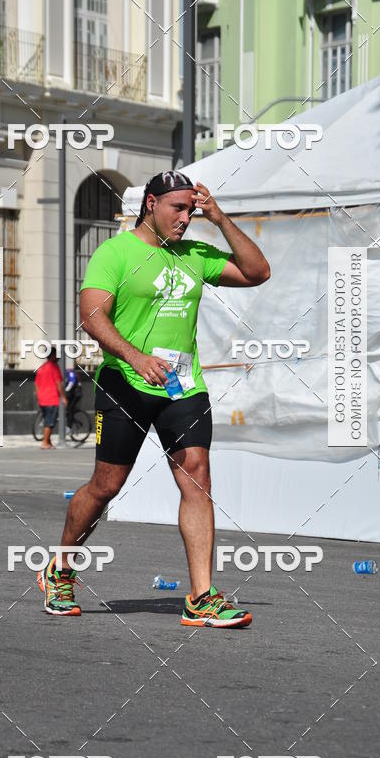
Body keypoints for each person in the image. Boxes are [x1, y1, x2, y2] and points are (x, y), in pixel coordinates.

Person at [37, 170, 270, 627]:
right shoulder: (115, 252)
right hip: (125, 382)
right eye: (177, 208)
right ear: (150, 204)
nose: (185, 218)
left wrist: (220, 219)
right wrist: (134, 356)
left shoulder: (195, 254)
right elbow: (92, 316)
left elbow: (257, 272)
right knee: (106, 486)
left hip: (182, 386)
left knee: (197, 476)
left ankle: (201, 596)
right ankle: (60, 568)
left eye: (191, 210)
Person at [34, 347, 67, 449]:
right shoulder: (54, 367)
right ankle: (44, 443)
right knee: (50, 422)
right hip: (51, 398)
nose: (57, 357)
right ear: (52, 355)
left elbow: (36, 384)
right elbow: (58, 383)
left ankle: (49, 442)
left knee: (47, 420)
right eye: (55, 354)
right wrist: (63, 397)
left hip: (42, 399)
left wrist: (39, 396)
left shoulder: (42, 367)